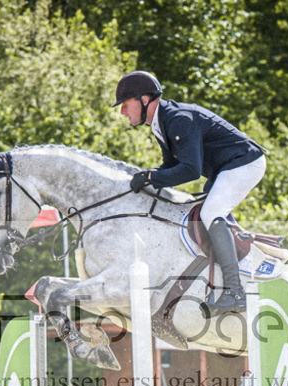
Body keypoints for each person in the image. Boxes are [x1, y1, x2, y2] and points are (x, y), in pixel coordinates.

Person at [113, 71, 266, 312]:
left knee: (211, 212)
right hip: (223, 169)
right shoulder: (161, 123)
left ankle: (236, 292)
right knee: (200, 213)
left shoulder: (178, 119)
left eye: (125, 104)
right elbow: (170, 167)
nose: (122, 111)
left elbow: (190, 170)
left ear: (143, 99)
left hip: (244, 163)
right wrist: (147, 179)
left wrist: (151, 177)